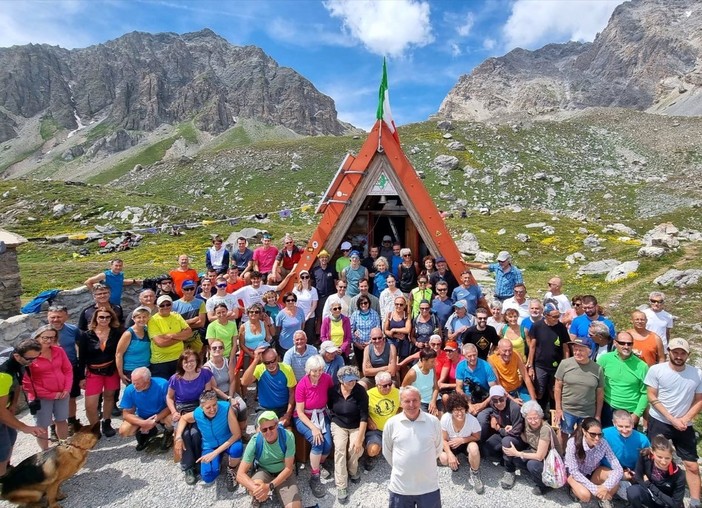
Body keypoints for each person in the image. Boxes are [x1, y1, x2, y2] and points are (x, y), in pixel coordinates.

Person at [645, 338, 702, 508]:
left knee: (691, 464)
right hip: (660, 420)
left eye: (682, 353)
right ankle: (652, 490)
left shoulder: (697, 373)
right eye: (675, 352)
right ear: (669, 351)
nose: (678, 356)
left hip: (684, 423)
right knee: (653, 456)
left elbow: (699, 399)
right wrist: (672, 419)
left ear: (688, 355)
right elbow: (651, 395)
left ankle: (695, 500)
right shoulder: (656, 370)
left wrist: (684, 419)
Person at [383, 385, 443, 508]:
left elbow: (438, 448)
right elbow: (387, 451)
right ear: (400, 403)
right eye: (407, 401)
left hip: (428, 488)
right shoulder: (392, 423)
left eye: (415, 400)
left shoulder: (433, 422)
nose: (411, 404)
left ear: (420, 400)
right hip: (400, 488)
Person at [174, 390, 242, 490]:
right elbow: (183, 418)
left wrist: (214, 453)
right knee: (208, 477)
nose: (212, 409)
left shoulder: (226, 408)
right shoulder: (197, 413)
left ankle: (232, 469)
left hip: (228, 440)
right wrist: (178, 437)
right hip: (209, 445)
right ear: (201, 407)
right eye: (208, 407)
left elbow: (237, 434)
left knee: (237, 449)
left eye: (215, 405)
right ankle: (218, 461)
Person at [167, 350, 217, 484]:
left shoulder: (204, 374)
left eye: (192, 361)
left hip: (198, 406)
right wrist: (173, 411)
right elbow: (169, 397)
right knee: (184, 434)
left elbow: (207, 395)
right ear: (181, 363)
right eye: (186, 361)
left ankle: (199, 460)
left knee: (195, 433)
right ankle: (188, 466)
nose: (189, 364)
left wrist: (201, 410)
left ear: (197, 362)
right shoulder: (175, 378)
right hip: (182, 408)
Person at [0, 339, 48, 474]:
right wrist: (25, 427)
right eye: (30, 359)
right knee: (2, 448)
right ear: (17, 356)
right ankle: (3, 484)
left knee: (11, 437)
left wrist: (14, 404)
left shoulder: (21, 361)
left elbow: (17, 385)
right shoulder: (3, 374)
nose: (33, 362)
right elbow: (0, 411)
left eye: (36, 357)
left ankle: (6, 469)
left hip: (5, 406)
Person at [236, 411, 301, 508]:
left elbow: (288, 468)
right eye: (264, 430)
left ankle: (259, 496)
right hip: (264, 470)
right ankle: (259, 495)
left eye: (271, 427)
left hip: (283, 472)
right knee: (255, 486)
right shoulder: (255, 441)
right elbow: (240, 474)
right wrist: (258, 490)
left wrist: (269, 486)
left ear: (277, 425)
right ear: (260, 430)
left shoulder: (288, 436)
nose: (268, 432)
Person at [22, 326, 72, 450]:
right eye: (45, 337)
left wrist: (67, 388)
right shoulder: (29, 356)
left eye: (52, 337)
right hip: (41, 397)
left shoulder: (59, 351)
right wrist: (51, 395)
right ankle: (44, 452)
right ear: (37, 337)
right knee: (42, 425)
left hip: (62, 393)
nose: (49, 341)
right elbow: (27, 382)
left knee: (61, 420)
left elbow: (67, 370)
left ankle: (64, 446)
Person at [292, 355, 334, 498]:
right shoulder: (302, 385)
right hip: (304, 418)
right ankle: (314, 476)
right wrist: (314, 428)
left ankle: (318, 463)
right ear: (308, 370)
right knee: (318, 442)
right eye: (314, 370)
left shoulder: (327, 378)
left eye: (320, 370)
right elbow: (300, 412)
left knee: (327, 446)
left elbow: (332, 395)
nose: (318, 373)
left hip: (321, 414)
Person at [78, 306, 121, 437]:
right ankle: (94, 426)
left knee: (109, 397)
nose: (104, 319)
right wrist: (81, 377)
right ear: (95, 318)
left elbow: (120, 353)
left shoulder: (116, 333)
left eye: (108, 317)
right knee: (91, 404)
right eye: (101, 317)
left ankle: (106, 422)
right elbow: (82, 357)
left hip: (111, 370)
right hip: (93, 372)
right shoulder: (86, 335)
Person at [554, 338, 604, 449]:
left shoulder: (597, 369)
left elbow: (600, 394)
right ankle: (561, 457)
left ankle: (577, 459)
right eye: (575, 349)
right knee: (563, 434)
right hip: (567, 409)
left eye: (581, 350)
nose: (577, 352)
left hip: (587, 411)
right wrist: (558, 408)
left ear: (589, 351)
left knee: (582, 437)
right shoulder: (565, 364)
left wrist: (598, 415)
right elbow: (557, 387)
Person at [328, 365, 368, 503]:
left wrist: (360, 438)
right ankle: (341, 485)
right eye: (349, 380)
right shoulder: (333, 391)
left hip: (356, 424)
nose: (352, 382)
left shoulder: (360, 391)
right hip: (338, 423)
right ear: (341, 380)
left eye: (354, 380)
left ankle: (352, 470)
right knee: (339, 449)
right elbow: (329, 407)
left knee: (355, 448)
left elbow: (364, 416)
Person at [564, 417, 623, 508]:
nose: (597, 438)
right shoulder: (573, 443)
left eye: (600, 435)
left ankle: (602, 497)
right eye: (593, 434)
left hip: (592, 472)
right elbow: (574, 471)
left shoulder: (603, 443)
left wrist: (605, 487)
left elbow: (618, 468)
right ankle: (572, 484)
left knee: (615, 481)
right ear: (584, 432)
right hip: (575, 475)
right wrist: (595, 489)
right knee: (586, 496)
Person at [499, 399, 555, 495]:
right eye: (530, 418)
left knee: (532, 464)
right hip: (534, 451)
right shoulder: (527, 424)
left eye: (536, 418)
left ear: (540, 416)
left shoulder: (545, 429)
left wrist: (517, 453)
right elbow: (526, 440)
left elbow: (540, 456)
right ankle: (537, 474)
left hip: (549, 459)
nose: (533, 422)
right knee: (516, 460)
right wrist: (517, 430)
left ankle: (545, 485)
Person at [597, 331, 649, 427]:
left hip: (630, 411)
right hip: (608, 409)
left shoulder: (642, 366)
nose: (626, 346)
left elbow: (645, 393)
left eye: (629, 344)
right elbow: (596, 383)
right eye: (622, 343)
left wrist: (637, 414)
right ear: (615, 343)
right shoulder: (604, 360)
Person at [527, 301, 570, 413]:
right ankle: (539, 413)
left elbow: (565, 347)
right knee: (539, 391)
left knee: (554, 391)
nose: (557, 318)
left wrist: (567, 365)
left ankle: (553, 415)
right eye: (554, 316)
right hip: (540, 364)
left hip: (557, 365)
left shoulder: (561, 327)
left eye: (558, 316)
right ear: (546, 315)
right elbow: (532, 346)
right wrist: (530, 365)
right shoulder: (537, 326)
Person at [118, 367, 173, 451]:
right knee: (124, 430)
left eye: (138, 383)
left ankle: (168, 432)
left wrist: (155, 419)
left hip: (162, 415)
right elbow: (126, 414)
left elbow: (171, 405)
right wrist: (143, 423)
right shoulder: (130, 389)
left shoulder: (163, 384)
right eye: (133, 383)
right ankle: (150, 432)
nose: (135, 386)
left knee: (173, 420)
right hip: (143, 417)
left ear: (148, 380)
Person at [240, 343, 296, 426]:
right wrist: (255, 360)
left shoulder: (287, 369)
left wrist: (287, 415)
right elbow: (244, 382)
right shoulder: (259, 369)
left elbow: (292, 393)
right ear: (263, 362)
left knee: (287, 432)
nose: (270, 365)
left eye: (273, 361)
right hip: (264, 409)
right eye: (267, 363)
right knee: (261, 431)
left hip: (283, 409)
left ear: (277, 358)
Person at [439, 392, 484, 494]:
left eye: (461, 409)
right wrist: (450, 454)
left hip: (465, 442)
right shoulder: (446, 418)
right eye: (456, 410)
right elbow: (443, 439)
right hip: (451, 443)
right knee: (444, 458)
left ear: (465, 408)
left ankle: (475, 472)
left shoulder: (472, 420)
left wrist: (462, 440)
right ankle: (454, 460)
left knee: (474, 448)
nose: (459, 413)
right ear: (451, 410)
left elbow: (477, 437)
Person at [203, 338, 248, 436]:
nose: (217, 349)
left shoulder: (227, 362)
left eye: (220, 347)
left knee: (243, 407)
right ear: (210, 350)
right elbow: (214, 388)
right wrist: (228, 399)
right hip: (217, 396)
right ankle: (231, 433)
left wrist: (231, 397)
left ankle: (242, 431)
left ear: (223, 350)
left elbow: (232, 381)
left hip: (230, 392)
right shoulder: (207, 367)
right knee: (232, 410)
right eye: (214, 348)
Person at [47, 305, 82, 427]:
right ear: (48, 317)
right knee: (51, 400)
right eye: (53, 317)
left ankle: (72, 422)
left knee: (71, 397)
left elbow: (80, 345)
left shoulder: (73, 330)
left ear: (66, 316)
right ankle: (53, 426)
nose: (56, 319)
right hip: (50, 372)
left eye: (59, 317)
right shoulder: (41, 333)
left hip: (71, 368)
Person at [627, 435, 685, 508]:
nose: (663, 462)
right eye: (659, 457)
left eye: (667, 458)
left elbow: (676, 504)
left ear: (672, 456)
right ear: (652, 451)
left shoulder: (679, 475)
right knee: (633, 491)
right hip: (651, 496)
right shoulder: (644, 457)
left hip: (666, 503)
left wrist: (650, 485)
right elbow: (638, 477)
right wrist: (653, 495)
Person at [603, 410, 651, 499]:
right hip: (610, 469)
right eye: (620, 426)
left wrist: (639, 473)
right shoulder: (604, 434)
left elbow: (647, 460)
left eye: (628, 427)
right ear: (614, 423)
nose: (624, 430)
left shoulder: (643, 439)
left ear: (633, 424)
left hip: (633, 471)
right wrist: (621, 472)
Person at [148, 295, 192, 380]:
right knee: (163, 389)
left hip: (179, 359)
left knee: (179, 387)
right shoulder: (152, 320)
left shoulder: (177, 316)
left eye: (168, 304)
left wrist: (171, 336)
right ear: (157, 306)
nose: (165, 307)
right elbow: (161, 343)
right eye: (162, 305)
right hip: (160, 362)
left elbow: (189, 332)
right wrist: (181, 337)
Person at [364, 371, 400, 471]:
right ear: (377, 385)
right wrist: (369, 420)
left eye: (390, 384)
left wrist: (398, 415)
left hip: (393, 429)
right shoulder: (369, 394)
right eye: (385, 386)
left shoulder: (397, 393)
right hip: (376, 429)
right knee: (372, 450)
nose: (388, 387)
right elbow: (362, 411)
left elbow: (404, 407)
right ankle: (371, 455)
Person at [455, 343, 497, 423]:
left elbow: (494, 389)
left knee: (482, 419)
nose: (473, 358)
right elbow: (458, 388)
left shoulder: (486, 366)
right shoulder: (460, 366)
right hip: (467, 399)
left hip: (484, 399)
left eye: (474, 355)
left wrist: (482, 405)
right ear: (464, 356)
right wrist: (469, 404)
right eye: (469, 356)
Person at [481, 385, 524, 463]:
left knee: (506, 442)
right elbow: (495, 413)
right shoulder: (493, 404)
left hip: (516, 436)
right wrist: (493, 417)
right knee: (486, 449)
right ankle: (503, 458)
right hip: (503, 432)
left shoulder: (514, 408)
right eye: (495, 400)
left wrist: (500, 429)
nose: (498, 403)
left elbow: (517, 430)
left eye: (501, 399)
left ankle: (510, 467)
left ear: (505, 397)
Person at [488, 338, 537, 405]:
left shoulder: (516, 354)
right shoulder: (492, 360)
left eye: (510, 350)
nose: (507, 353)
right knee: (515, 409)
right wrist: (513, 399)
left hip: (518, 388)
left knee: (531, 406)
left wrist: (533, 400)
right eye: (504, 351)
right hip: (504, 392)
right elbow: (497, 383)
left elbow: (526, 377)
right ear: (498, 349)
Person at [116, 306, 151, 385]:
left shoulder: (147, 331)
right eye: (139, 317)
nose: (142, 319)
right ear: (133, 318)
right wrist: (121, 374)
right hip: (131, 370)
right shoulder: (128, 334)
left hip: (146, 368)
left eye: (144, 317)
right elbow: (119, 354)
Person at [170, 279, 206, 356]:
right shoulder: (174, 305)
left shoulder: (200, 303)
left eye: (191, 288)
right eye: (186, 289)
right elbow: (174, 325)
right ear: (182, 290)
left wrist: (183, 326)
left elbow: (201, 323)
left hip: (195, 338)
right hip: (180, 340)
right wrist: (192, 320)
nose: (189, 291)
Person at [238, 303, 272, 378]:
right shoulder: (243, 327)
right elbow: (241, 344)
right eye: (251, 312)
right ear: (248, 313)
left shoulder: (264, 324)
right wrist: (253, 355)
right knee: (246, 376)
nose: (254, 313)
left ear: (260, 314)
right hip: (248, 353)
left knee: (262, 376)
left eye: (256, 312)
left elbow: (268, 338)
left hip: (262, 353)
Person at [402, 349, 439, 416]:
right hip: (420, 401)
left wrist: (433, 401)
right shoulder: (412, 373)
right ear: (424, 360)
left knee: (440, 416)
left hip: (434, 398)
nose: (435, 364)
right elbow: (403, 389)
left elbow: (436, 387)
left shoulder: (432, 368)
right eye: (432, 361)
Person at [350, 295, 381, 368]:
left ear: (369, 303)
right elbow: (351, 329)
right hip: (358, 345)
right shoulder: (355, 314)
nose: (363, 305)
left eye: (365, 303)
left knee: (371, 365)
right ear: (359, 304)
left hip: (372, 345)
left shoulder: (374, 314)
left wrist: (370, 342)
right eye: (361, 303)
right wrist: (356, 343)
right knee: (360, 366)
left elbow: (378, 328)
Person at [310, 249, 336, 330]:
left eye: (325, 257)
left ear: (328, 258)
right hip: (319, 297)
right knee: (319, 316)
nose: (324, 259)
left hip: (330, 296)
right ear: (319, 259)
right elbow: (312, 283)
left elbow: (335, 282)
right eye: (322, 257)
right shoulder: (315, 270)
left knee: (331, 315)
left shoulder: (332, 269)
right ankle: (318, 335)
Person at [292, 270, 318, 345]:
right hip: (298, 316)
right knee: (299, 335)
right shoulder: (295, 289)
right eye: (302, 277)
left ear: (309, 278)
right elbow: (293, 302)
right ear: (300, 278)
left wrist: (307, 316)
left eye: (307, 277)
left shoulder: (313, 290)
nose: (305, 279)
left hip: (310, 316)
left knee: (309, 336)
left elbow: (314, 305)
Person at [276, 292, 306, 356]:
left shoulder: (300, 311)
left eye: (293, 300)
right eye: (288, 300)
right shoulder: (280, 314)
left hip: (298, 343)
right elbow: (278, 329)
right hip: (285, 343)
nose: (290, 302)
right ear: (285, 301)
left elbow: (303, 325)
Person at [384, 296, 412, 361]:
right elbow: (385, 330)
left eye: (401, 304)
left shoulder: (407, 316)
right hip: (391, 342)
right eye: (396, 304)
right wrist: (394, 335)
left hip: (404, 343)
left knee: (403, 362)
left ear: (404, 305)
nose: (398, 306)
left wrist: (394, 330)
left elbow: (408, 330)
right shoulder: (390, 315)